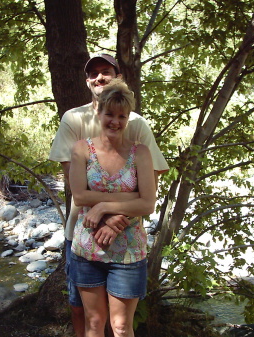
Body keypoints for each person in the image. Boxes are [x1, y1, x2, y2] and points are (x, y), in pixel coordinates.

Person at [48, 53, 168, 337]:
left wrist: (114, 214)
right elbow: (75, 186)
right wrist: (103, 211)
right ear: (87, 80)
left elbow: (150, 185)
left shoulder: (136, 124)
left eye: (106, 72)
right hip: (84, 232)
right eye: (93, 73)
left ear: (118, 76)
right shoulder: (75, 120)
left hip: (127, 237)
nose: (99, 78)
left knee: (121, 325)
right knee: (83, 312)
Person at [69, 78, 156, 337]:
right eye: (110, 114)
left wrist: (105, 206)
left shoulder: (140, 153)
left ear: (128, 118)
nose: (115, 122)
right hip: (87, 249)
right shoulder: (82, 149)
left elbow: (148, 204)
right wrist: (129, 199)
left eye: (122, 116)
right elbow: (79, 196)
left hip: (128, 253)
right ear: (99, 112)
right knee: (94, 323)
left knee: (120, 327)